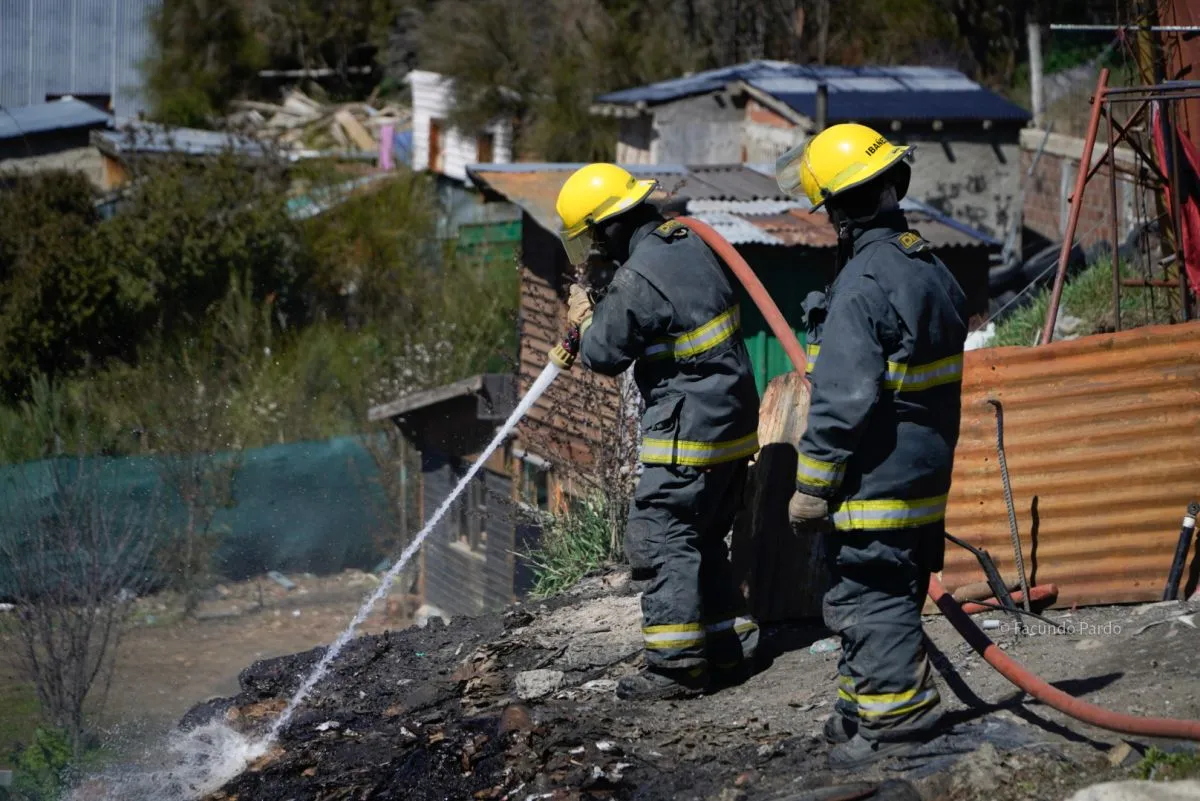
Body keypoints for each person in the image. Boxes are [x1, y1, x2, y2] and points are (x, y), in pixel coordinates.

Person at [775, 124, 968, 769]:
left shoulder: (862, 283)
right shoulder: (928, 266)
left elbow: (841, 401)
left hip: (876, 476)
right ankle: (861, 709)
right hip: (924, 472)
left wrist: (811, 487)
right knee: (891, 587)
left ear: (838, 210)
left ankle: (901, 726)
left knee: (869, 595)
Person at [552, 163, 761, 700]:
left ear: (610, 225)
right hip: (731, 419)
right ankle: (727, 647)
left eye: (593, 237)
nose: (592, 250)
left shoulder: (638, 276)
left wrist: (586, 314)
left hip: (690, 426)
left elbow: (603, 354)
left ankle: (676, 669)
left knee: (659, 533)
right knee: (702, 535)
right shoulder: (686, 244)